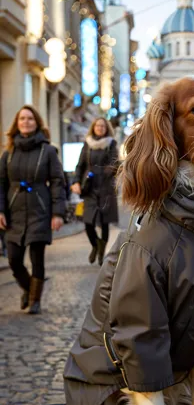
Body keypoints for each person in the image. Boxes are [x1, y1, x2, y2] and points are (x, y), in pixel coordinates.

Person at [0, 105, 66, 314]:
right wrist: (0, 210)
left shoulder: (48, 151)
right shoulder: (8, 153)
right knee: (14, 260)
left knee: (37, 258)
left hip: (40, 209)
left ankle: (35, 301)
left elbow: (57, 181)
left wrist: (57, 213)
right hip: (14, 211)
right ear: (17, 124)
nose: (25, 122)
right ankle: (29, 289)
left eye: (29, 119)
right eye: (22, 119)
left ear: (36, 122)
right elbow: (1, 183)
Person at [71, 118, 119, 266]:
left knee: (104, 223)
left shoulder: (111, 143)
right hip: (89, 188)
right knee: (88, 222)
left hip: (105, 188)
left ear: (106, 128)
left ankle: (101, 252)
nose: (100, 128)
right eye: (97, 125)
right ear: (93, 127)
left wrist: (105, 173)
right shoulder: (88, 143)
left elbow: (114, 163)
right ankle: (95, 245)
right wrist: (76, 181)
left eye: (103, 126)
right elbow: (80, 165)